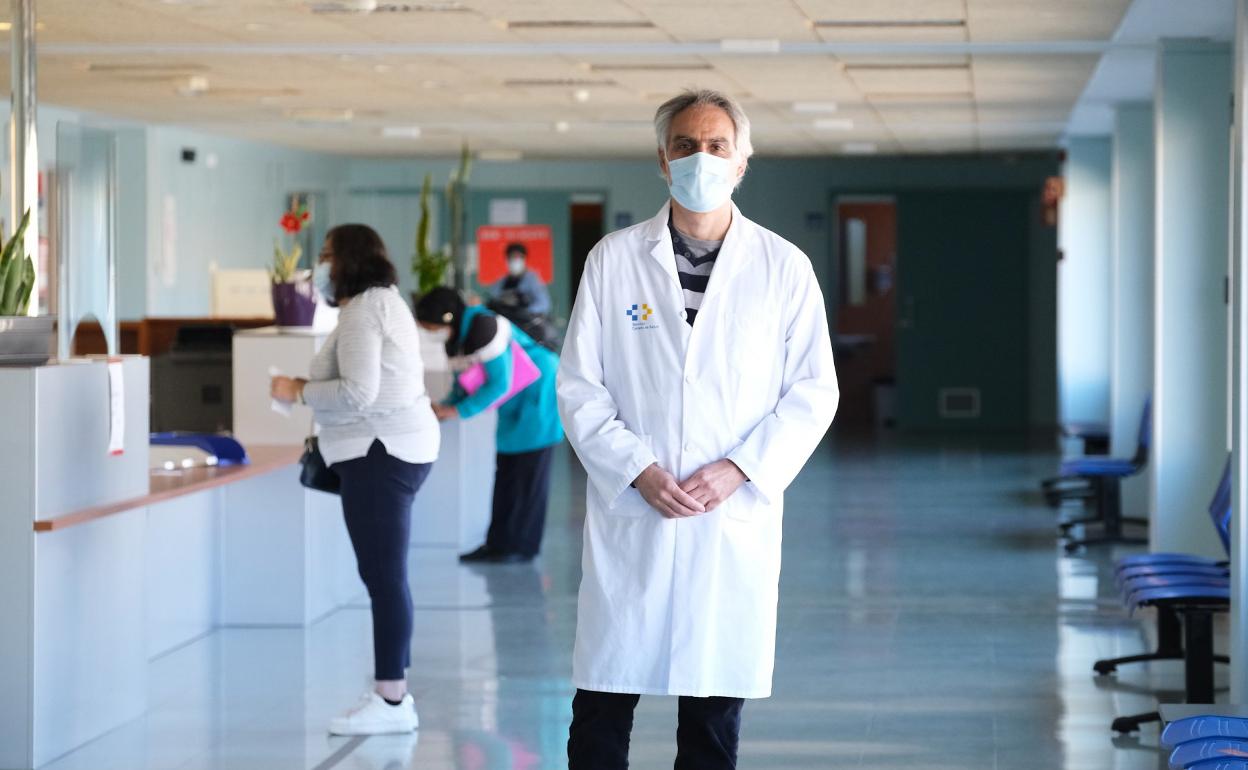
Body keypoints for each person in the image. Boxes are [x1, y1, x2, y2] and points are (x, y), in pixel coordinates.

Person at [557, 88, 840, 769]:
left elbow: (812, 392)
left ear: (742, 162)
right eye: (686, 145)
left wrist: (740, 468)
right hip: (636, 506)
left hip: (727, 515)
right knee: (601, 704)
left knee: (712, 718)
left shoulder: (783, 268)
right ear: (663, 160)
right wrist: (638, 468)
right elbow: (578, 387)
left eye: (717, 146)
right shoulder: (615, 259)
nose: (701, 159)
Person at [270, 224, 439, 736]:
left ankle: (392, 700)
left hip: (379, 452)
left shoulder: (366, 309)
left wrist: (297, 389)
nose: (320, 266)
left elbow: (358, 393)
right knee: (385, 576)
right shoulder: (380, 303)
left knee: (384, 578)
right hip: (387, 450)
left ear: (348, 259)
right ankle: (392, 692)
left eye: (325, 255)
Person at [415, 287, 563, 564]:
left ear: (444, 318)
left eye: (428, 325)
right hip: (514, 402)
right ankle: (499, 544)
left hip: (537, 394)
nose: (427, 331)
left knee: (529, 474)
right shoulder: (459, 335)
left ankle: (523, 547)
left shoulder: (484, 327)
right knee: (506, 471)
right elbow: (465, 379)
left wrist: (456, 410)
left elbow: (499, 384)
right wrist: (445, 406)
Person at [491, 242, 551, 317]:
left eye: (519, 257)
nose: (516, 260)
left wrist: (523, 311)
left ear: (524, 259)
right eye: (512, 257)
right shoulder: (501, 282)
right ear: (507, 259)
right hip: (507, 321)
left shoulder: (532, 280)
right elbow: (493, 299)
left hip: (527, 323)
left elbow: (544, 304)